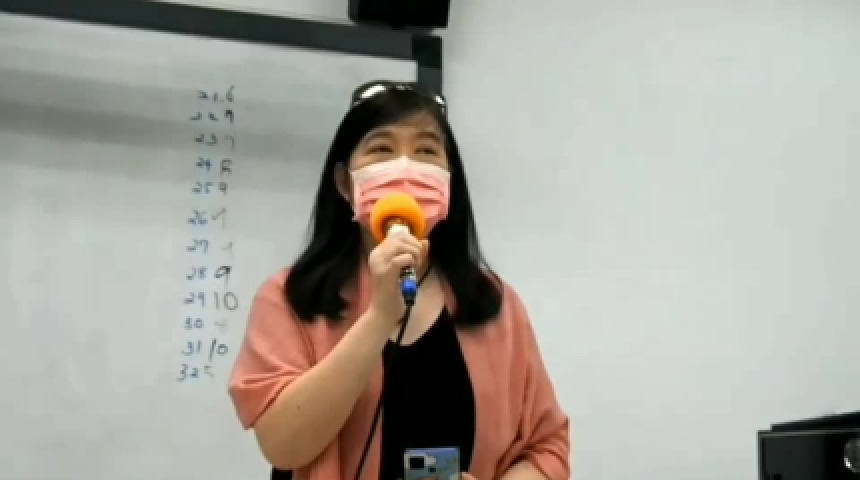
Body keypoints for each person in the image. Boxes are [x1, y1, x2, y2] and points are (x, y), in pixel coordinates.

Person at [228, 80, 570, 480]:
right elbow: (284, 446)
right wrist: (379, 318)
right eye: (381, 149)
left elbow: (547, 449)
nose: (405, 168)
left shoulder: (493, 303)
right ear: (344, 183)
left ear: (449, 181)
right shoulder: (292, 297)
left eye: (426, 151)